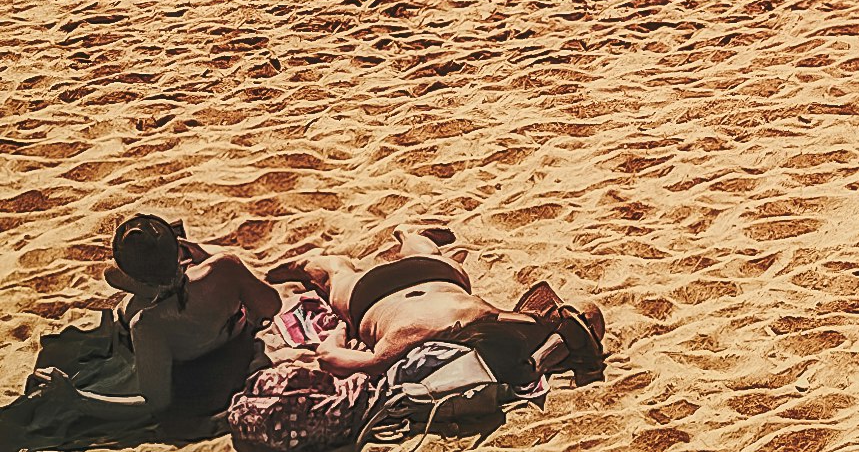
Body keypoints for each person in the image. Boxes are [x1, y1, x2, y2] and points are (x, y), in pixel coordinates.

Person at [8, 215, 282, 432]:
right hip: (231, 344)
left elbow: (155, 403)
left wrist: (76, 398)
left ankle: (156, 282)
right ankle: (163, 274)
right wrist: (206, 257)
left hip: (194, 369)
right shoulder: (224, 267)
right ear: (178, 251)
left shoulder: (147, 324)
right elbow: (272, 305)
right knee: (116, 277)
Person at [266, 226, 602, 387]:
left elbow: (580, 317)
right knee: (338, 274)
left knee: (424, 257)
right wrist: (338, 332)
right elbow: (332, 359)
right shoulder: (408, 342)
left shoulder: (499, 320)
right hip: (375, 298)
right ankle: (314, 262)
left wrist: (337, 333)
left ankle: (408, 233)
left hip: (437, 278)